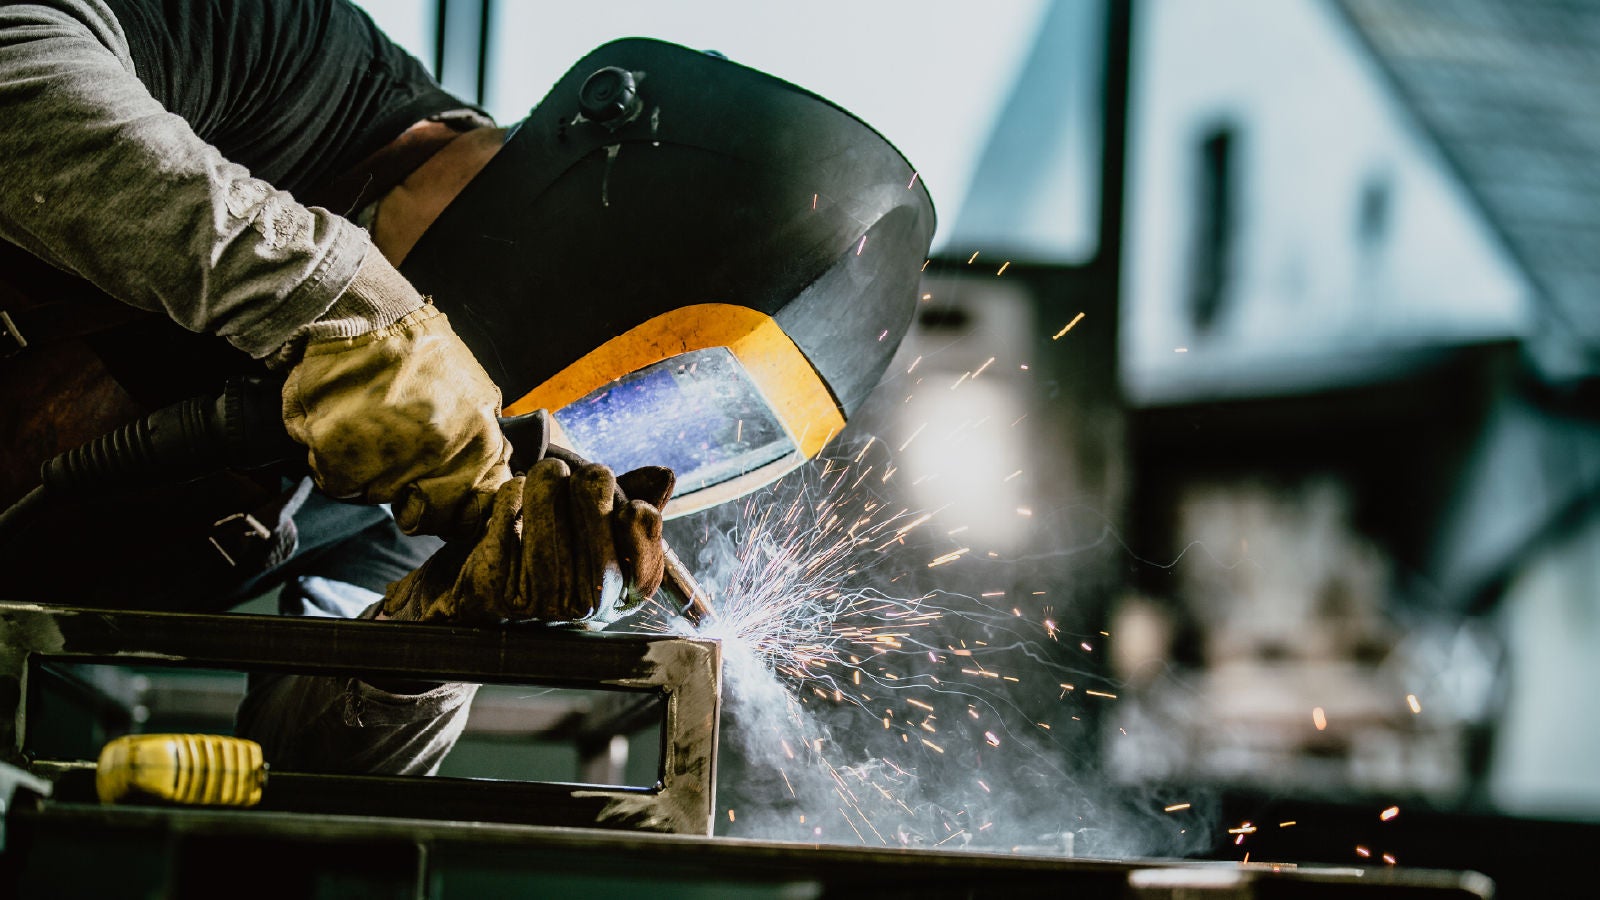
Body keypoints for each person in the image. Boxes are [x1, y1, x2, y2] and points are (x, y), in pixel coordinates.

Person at [0, 0, 673, 775]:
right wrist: (325, 295)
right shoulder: (291, 46)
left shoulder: (442, 468)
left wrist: (428, 644)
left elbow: (294, 762)